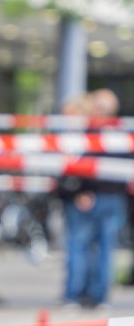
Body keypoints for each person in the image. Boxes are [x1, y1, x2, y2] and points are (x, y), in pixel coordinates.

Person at [59, 89, 125, 310]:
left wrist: (83, 190)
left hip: (100, 197)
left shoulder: (95, 133)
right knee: (97, 249)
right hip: (104, 197)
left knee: (86, 247)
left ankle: (78, 295)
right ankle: (93, 295)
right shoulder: (119, 132)